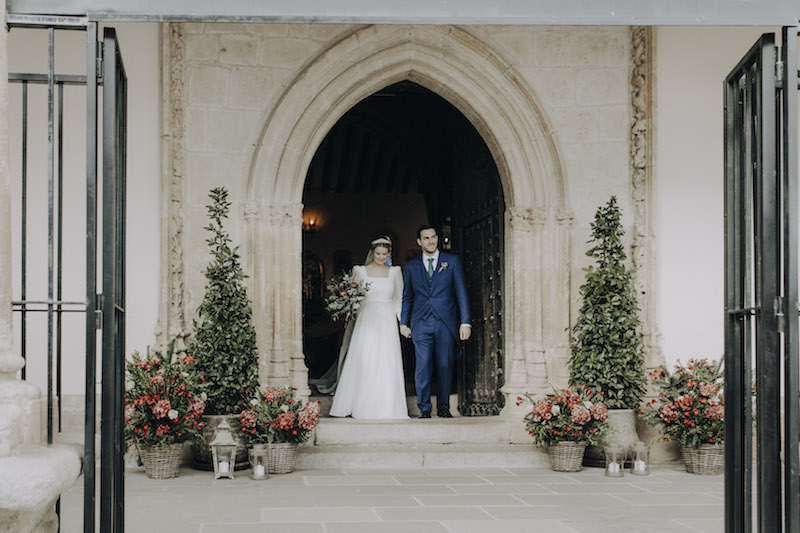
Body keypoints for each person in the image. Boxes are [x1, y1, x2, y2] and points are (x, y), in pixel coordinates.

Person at [328, 237, 409, 419]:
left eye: (384, 254)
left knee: (386, 361)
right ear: (372, 253)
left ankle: (386, 406)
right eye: (377, 254)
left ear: (389, 254)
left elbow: (398, 300)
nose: (381, 257)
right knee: (365, 359)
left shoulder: (395, 272)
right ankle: (361, 405)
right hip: (366, 319)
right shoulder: (360, 271)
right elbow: (353, 295)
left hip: (387, 319)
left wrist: (402, 323)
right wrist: (348, 310)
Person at [400, 224, 471, 418]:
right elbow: (407, 296)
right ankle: (424, 408)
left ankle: (443, 406)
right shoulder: (412, 266)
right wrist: (403, 323)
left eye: (433, 237)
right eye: (426, 238)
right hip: (420, 322)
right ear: (419, 241)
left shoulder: (452, 261)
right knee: (422, 365)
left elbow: (461, 293)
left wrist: (465, 322)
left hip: (445, 322)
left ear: (437, 238)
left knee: (445, 364)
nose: (431, 241)